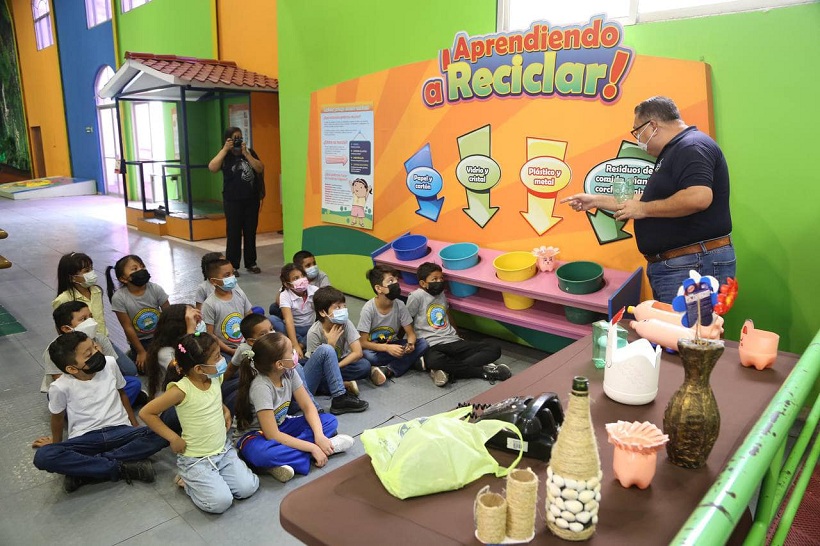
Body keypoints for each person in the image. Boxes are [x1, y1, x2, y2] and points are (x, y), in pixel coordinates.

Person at [561, 96, 735, 303]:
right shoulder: (674, 151)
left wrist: (643, 210)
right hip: (679, 264)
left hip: (691, 264)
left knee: (687, 333)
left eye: (637, 131)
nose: (638, 140)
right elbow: (645, 200)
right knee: (675, 332)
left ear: (652, 125)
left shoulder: (691, 146)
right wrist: (595, 201)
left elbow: (699, 197)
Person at [32, 331, 167, 493]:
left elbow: (122, 394)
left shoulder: (110, 364)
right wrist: (56, 444)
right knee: (44, 456)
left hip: (121, 432)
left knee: (167, 429)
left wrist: (134, 424)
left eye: (94, 346)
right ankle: (122, 467)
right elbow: (58, 419)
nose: (97, 352)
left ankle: (86, 471)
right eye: (89, 353)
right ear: (71, 368)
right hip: (86, 439)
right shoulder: (60, 387)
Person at [139, 333, 259, 514]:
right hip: (196, 459)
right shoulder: (181, 390)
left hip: (223, 451)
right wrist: (173, 438)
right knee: (221, 503)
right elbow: (146, 413)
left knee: (248, 488)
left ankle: (212, 479)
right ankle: (188, 481)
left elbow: (211, 398)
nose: (222, 360)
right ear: (199, 369)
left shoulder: (214, 377)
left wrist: (224, 408)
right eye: (217, 356)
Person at [234, 332, 356, 482]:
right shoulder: (261, 387)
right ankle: (325, 449)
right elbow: (272, 434)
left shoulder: (290, 372)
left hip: (281, 425)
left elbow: (308, 407)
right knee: (262, 454)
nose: (295, 353)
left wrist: (319, 436)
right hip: (256, 435)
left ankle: (284, 461)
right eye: (291, 351)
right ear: (279, 364)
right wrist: (313, 447)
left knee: (329, 421)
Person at [232, 314, 365, 415]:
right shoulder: (245, 351)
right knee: (296, 367)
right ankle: (316, 410)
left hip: (299, 390)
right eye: (263, 334)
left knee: (326, 350)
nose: (271, 334)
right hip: (283, 400)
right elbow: (231, 369)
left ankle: (339, 397)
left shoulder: (279, 344)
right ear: (251, 341)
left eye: (271, 329)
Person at [406, 262, 510, 387]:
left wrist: (457, 333)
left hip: (453, 341)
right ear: (423, 283)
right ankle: (482, 372)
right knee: (434, 360)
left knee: (494, 348)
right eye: (434, 279)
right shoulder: (417, 296)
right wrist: (409, 342)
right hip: (432, 345)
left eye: (441, 278)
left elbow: (447, 314)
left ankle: (449, 370)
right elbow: (406, 320)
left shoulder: (441, 294)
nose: (439, 281)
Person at [43, 301, 145, 407]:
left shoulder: (100, 338)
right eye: (83, 319)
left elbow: (113, 369)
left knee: (133, 383)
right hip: (77, 388)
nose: (91, 321)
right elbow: (60, 380)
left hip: (101, 382)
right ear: (66, 329)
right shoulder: (55, 349)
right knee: (55, 397)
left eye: (90, 316)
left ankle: (102, 409)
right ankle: (109, 407)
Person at [53, 251, 138, 376]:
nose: (91, 273)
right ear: (72, 277)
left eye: (91, 268)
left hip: (103, 339)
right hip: (82, 346)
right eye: (86, 270)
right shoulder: (63, 299)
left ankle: (129, 354)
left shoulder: (96, 291)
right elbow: (60, 328)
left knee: (131, 370)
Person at [208, 126, 265, 275]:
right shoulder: (225, 155)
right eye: (234, 137)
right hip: (232, 201)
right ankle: (232, 265)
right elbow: (212, 167)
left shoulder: (249, 152)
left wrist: (246, 153)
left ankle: (251, 263)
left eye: (240, 137)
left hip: (251, 200)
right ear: (228, 139)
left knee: (250, 232)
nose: (238, 140)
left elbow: (259, 168)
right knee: (233, 233)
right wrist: (225, 149)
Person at [308, 286, 388, 388]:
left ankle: (335, 382)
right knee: (312, 377)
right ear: (322, 312)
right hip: (324, 366)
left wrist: (336, 367)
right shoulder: (314, 333)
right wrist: (330, 345)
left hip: (342, 362)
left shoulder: (345, 323)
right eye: (337, 307)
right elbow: (316, 366)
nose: (343, 310)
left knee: (364, 366)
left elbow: (357, 352)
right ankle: (344, 384)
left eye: (344, 306)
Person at [358, 265, 429, 378]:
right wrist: (387, 348)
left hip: (393, 344)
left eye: (396, 280)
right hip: (375, 349)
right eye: (391, 281)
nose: (396, 283)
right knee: (367, 356)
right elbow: (363, 343)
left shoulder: (400, 305)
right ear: (378, 288)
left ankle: (389, 369)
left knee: (423, 344)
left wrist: (410, 344)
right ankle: (410, 362)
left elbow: (410, 333)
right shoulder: (368, 309)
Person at [106, 254, 170, 372]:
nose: (141, 270)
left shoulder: (155, 289)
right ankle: (133, 353)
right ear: (123, 279)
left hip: (161, 335)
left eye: (142, 266)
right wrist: (141, 351)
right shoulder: (119, 298)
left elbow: (169, 314)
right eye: (134, 269)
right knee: (147, 369)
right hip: (141, 341)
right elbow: (128, 327)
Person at [145, 303, 203, 399]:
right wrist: (190, 333)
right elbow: (182, 369)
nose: (196, 326)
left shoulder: (182, 343)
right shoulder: (164, 352)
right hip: (170, 401)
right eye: (192, 322)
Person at [202, 258, 252, 357]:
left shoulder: (239, 293)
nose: (232, 277)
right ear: (214, 281)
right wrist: (230, 351)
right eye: (227, 275)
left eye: (232, 273)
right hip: (225, 349)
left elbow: (250, 317)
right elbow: (210, 334)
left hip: (245, 343)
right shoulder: (210, 304)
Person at [270, 250, 331, 318]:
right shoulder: (292, 280)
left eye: (314, 263)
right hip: (295, 311)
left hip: (313, 311)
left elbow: (327, 299)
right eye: (308, 265)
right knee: (274, 308)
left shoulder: (322, 276)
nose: (313, 267)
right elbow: (279, 298)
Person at [278, 263, 318, 359]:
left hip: (310, 327)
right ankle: (302, 343)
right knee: (273, 320)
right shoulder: (285, 295)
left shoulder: (315, 290)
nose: (301, 279)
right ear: (287, 284)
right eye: (296, 278)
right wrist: (294, 344)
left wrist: (297, 346)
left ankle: (302, 345)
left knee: (319, 328)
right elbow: (289, 321)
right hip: (294, 329)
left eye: (303, 276)